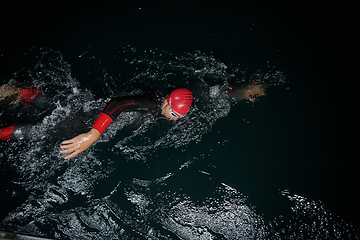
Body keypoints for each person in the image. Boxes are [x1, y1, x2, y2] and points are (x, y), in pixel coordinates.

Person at [60, 88, 194, 159]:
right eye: (175, 114)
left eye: (181, 116)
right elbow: (119, 103)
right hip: (94, 119)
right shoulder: (149, 104)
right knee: (58, 126)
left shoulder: (165, 104)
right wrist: (93, 134)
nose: (176, 119)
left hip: (113, 121)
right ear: (166, 102)